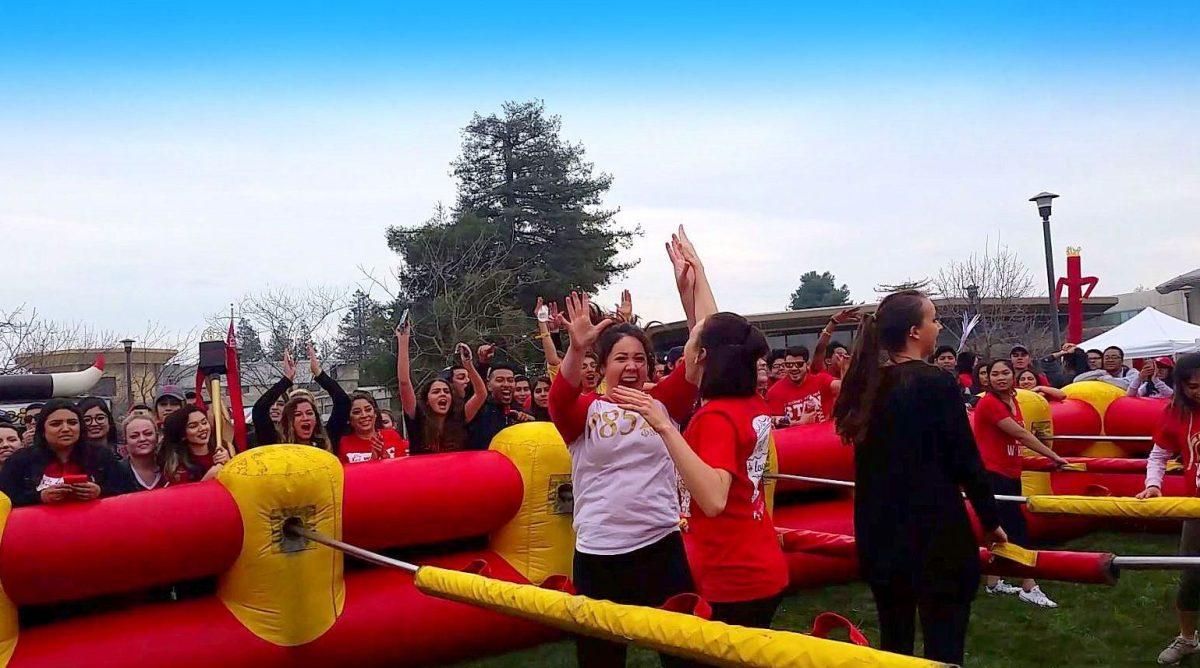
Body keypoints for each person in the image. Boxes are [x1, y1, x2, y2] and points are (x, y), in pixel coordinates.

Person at [549, 225, 715, 668]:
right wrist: (574, 348)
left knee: (686, 654)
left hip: (660, 547)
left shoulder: (666, 402)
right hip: (599, 554)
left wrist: (692, 284)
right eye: (621, 358)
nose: (631, 365)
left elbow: (701, 351)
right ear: (602, 366)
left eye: (639, 358)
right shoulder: (583, 410)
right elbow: (557, 398)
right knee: (601, 659)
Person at [831, 291, 1005, 665]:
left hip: (879, 536)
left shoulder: (867, 386)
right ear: (914, 331)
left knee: (895, 645)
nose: (939, 326)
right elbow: (966, 462)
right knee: (944, 646)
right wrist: (992, 522)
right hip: (935, 536)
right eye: (934, 319)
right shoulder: (935, 383)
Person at [611, 312, 788, 629]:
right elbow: (721, 328)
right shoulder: (749, 401)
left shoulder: (715, 418)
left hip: (735, 576)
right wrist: (696, 272)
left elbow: (712, 500)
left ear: (702, 355)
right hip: (757, 563)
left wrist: (664, 425)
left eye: (691, 341)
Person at [974, 359, 1068, 607]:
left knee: (999, 528)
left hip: (1010, 472)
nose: (1000, 377)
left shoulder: (1013, 400)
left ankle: (993, 582)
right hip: (994, 474)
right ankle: (1029, 585)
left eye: (1005, 372)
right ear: (986, 378)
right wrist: (1053, 455)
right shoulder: (989, 404)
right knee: (1016, 528)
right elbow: (1021, 434)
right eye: (994, 374)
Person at [1135, 353, 1200, 664]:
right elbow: (1158, 455)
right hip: (1195, 508)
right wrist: (1153, 484)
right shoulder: (1175, 412)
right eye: (1192, 386)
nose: (1198, 391)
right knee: (1190, 577)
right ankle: (1187, 639)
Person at [0, 399, 134, 506]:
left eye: (72, 422)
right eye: (56, 424)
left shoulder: (102, 457)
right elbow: (5, 500)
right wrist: (39, 497)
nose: (65, 429)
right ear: (42, 429)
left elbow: (128, 494)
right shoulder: (20, 461)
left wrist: (100, 491)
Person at [397, 325, 487, 455]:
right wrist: (403, 339)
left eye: (446, 391)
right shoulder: (416, 417)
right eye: (436, 392)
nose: (442, 394)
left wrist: (468, 364)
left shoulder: (460, 417)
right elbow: (404, 382)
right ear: (427, 400)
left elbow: (481, 394)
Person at [252, 344, 350, 448]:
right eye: (298, 414)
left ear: (316, 418)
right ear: (288, 420)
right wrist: (287, 379)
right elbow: (260, 410)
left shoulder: (326, 440)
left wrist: (318, 373)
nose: (305, 418)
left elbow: (343, 402)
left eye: (309, 413)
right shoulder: (276, 443)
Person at [466, 363, 534, 451]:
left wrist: (530, 422)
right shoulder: (479, 410)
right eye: (500, 380)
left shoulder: (519, 413)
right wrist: (478, 363)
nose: (506, 384)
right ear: (488, 385)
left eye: (510, 380)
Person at [765, 346, 840, 425]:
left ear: (807, 365)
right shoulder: (774, 392)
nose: (794, 368)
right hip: (792, 436)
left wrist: (845, 370)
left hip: (823, 435)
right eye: (789, 365)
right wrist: (797, 422)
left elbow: (844, 388)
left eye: (799, 364)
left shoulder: (821, 380)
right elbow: (770, 420)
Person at [161, 405, 231, 483]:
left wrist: (230, 463)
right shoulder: (178, 469)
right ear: (182, 435)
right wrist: (210, 476)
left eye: (204, 422)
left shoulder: (222, 451)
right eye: (193, 426)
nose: (203, 428)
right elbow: (185, 494)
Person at [340, 391, 407, 463]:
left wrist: (385, 457)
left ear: (375, 414)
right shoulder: (343, 443)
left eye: (368, 410)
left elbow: (403, 468)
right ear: (349, 419)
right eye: (357, 412)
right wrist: (372, 460)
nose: (364, 415)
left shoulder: (392, 435)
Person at [121, 414, 168, 491]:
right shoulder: (115, 472)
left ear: (157, 437)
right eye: (134, 436)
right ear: (125, 441)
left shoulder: (171, 468)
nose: (142, 439)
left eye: (148, 434)